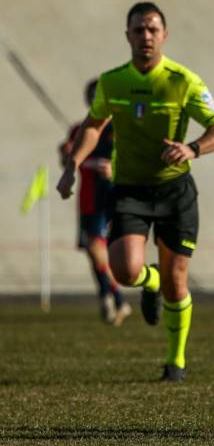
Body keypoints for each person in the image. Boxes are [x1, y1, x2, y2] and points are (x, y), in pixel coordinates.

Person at [57, 2, 214, 382]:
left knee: (178, 282)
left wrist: (193, 148)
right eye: (139, 30)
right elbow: (93, 125)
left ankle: (176, 362)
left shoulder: (183, 80)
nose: (146, 36)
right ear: (128, 36)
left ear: (164, 35)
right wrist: (72, 166)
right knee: (125, 270)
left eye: (153, 29)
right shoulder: (112, 81)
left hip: (175, 191)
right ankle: (149, 281)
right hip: (130, 190)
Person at [58, 79, 130, 326]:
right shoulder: (79, 130)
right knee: (92, 250)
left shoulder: (116, 128)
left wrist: (114, 168)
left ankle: (117, 298)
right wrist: (67, 156)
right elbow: (69, 161)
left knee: (99, 248)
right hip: (87, 197)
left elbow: (129, 158)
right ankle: (109, 296)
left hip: (110, 195)